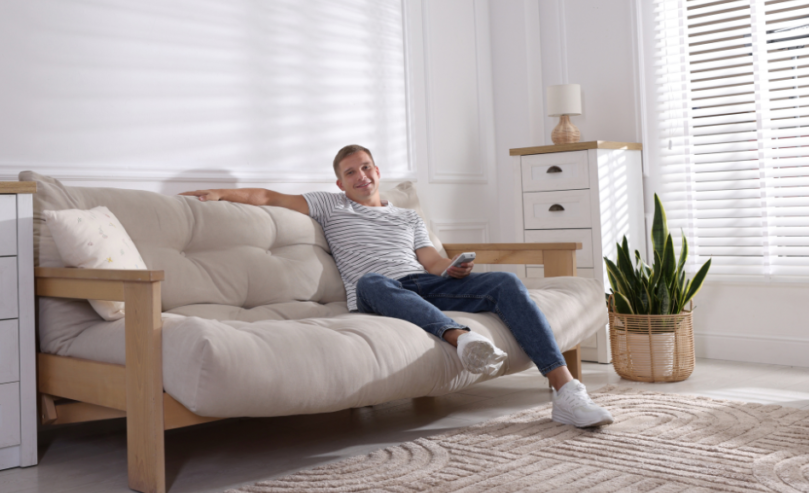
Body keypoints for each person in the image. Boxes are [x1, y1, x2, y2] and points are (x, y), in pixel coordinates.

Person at [180, 144, 613, 428]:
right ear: (340, 182)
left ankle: (565, 390)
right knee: (373, 279)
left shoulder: (407, 216)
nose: (361, 176)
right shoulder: (329, 205)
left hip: (424, 283)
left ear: (377, 171)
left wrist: (452, 270)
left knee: (504, 282)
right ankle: (460, 339)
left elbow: (432, 261)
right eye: (351, 172)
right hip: (376, 292)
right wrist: (220, 194)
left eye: (366, 168)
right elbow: (269, 198)